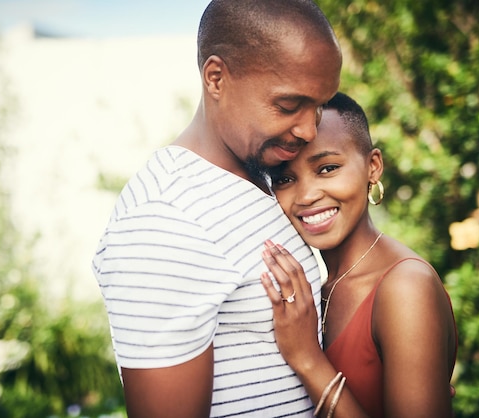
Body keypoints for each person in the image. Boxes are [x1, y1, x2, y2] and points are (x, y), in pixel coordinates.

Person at [91, 0, 342, 416]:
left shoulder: (264, 174)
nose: (309, 129)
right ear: (216, 78)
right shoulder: (163, 219)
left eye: (318, 106)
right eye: (288, 106)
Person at [261, 92, 458, 418]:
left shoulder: (405, 287)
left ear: (373, 167)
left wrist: (308, 359)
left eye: (327, 168)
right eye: (285, 178)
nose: (307, 195)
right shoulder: (320, 288)